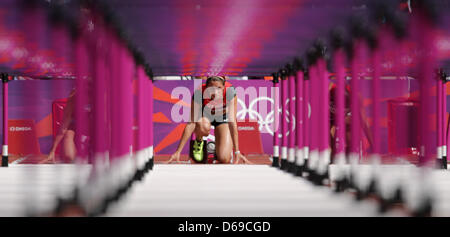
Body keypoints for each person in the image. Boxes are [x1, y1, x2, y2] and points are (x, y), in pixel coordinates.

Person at [167, 76, 251, 164]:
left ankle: (218, 151)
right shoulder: (199, 92)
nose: (215, 92)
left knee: (224, 158)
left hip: (222, 118)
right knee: (202, 125)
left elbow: (232, 122)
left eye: (219, 88)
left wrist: (237, 151)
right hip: (205, 117)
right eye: (211, 88)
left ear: (224, 87)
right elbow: (191, 123)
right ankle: (199, 141)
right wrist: (178, 151)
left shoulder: (230, 92)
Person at [46, 89, 76, 163]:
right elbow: (63, 128)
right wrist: (52, 151)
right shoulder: (73, 99)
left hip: (97, 131)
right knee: (69, 156)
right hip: (77, 130)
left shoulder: (103, 97)